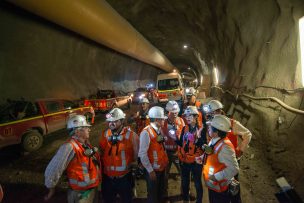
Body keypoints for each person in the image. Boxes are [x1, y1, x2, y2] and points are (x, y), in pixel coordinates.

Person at [44, 115, 101, 203]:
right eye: (86, 128)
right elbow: (53, 169)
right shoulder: (69, 147)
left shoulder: (85, 144)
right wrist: (51, 188)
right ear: (77, 131)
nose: (89, 129)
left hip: (91, 189)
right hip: (80, 195)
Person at [207, 100, 252, 203]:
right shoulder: (212, 124)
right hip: (218, 161)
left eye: (212, 113)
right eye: (209, 114)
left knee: (233, 187)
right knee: (220, 187)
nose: (210, 116)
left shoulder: (232, 123)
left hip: (230, 160)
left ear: (219, 111)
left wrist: (241, 149)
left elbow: (247, 134)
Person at [99, 108, 139, 203]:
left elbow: (137, 155)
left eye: (115, 121)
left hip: (124, 178)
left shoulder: (131, 136)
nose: (111, 124)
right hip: (108, 179)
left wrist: (134, 165)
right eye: (109, 121)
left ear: (121, 121)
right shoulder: (105, 134)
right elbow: (101, 151)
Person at [200, 115, 239, 203]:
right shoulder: (214, 140)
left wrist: (216, 177)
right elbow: (212, 155)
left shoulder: (225, 147)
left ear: (216, 131)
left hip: (221, 189)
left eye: (210, 127)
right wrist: (201, 158)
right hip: (213, 186)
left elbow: (234, 168)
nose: (208, 128)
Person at [176, 106, 206, 203]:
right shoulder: (185, 128)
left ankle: (199, 201)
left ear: (196, 116)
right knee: (185, 183)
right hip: (185, 161)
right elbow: (181, 143)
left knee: (197, 183)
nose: (187, 118)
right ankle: (186, 200)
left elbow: (205, 147)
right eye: (186, 116)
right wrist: (175, 138)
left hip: (196, 163)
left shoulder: (202, 129)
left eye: (190, 115)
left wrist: (197, 140)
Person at [138, 106, 168, 203]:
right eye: (162, 119)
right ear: (156, 119)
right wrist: (150, 171)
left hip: (161, 169)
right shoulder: (146, 133)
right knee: (152, 196)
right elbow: (142, 154)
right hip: (153, 171)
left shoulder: (159, 130)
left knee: (160, 193)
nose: (164, 120)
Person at [163, 100, 185, 198]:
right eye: (173, 111)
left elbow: (185, 136)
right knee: (165, 174)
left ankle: (184, 193)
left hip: (177, 152)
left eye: (176, 111)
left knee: (183, 173)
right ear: (168, 111)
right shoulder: (163, 122)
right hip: (166, 152)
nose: (175, 113)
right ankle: (164, 194)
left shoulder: (181, 121)